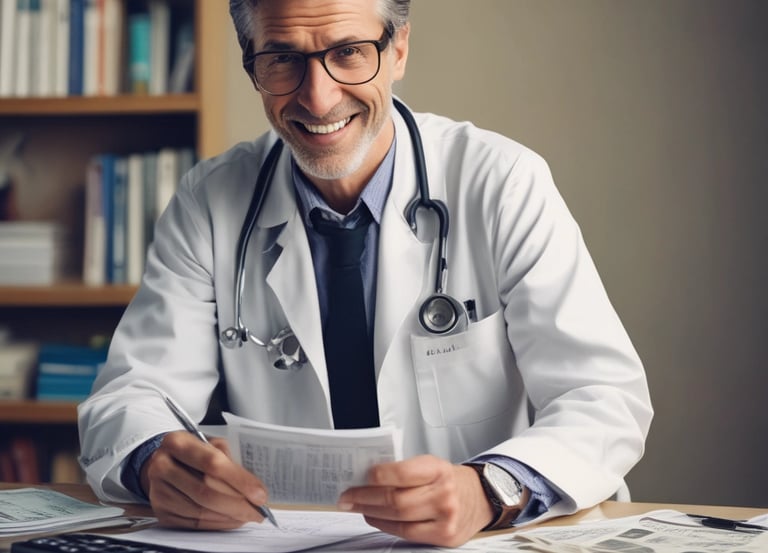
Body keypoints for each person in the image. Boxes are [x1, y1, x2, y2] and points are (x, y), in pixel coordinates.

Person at [78, 0, 653, 547]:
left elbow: (602, 398)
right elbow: (131, 396)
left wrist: (489, 489)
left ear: (398, 49)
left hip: (481, 544)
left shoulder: (501, 182)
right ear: (252, 66)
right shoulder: (210, 200)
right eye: (282, 58)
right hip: (282, 541)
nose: (318, 97)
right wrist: (153, 463)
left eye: (349, 51)